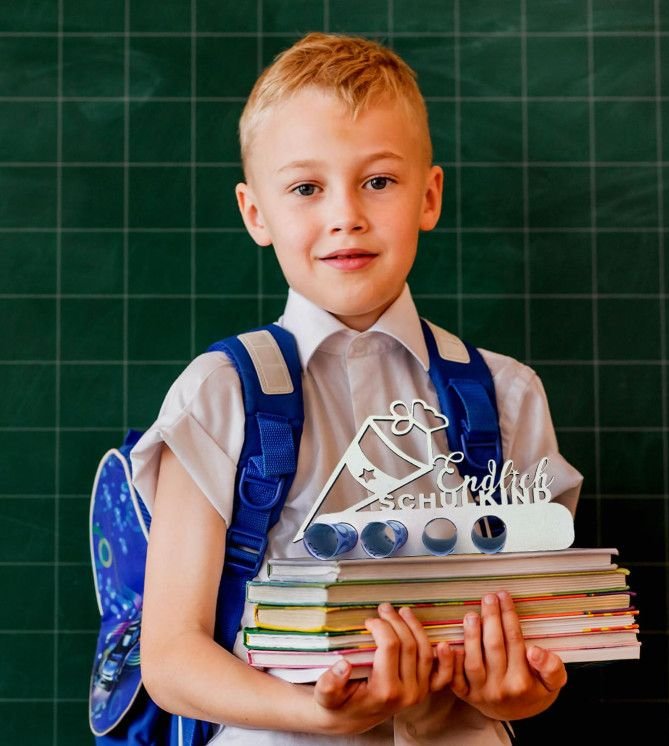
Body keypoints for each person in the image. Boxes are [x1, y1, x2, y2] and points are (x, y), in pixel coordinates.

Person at [132, 32, 583, 745]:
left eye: (378, 180)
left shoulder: (508, 393)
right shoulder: (220, 393)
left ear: (428, 196)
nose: (346, 214)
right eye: (307, 188)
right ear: (256, 214)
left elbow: (536, 642)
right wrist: (321, 714)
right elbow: (171, 660)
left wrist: (520, 692)